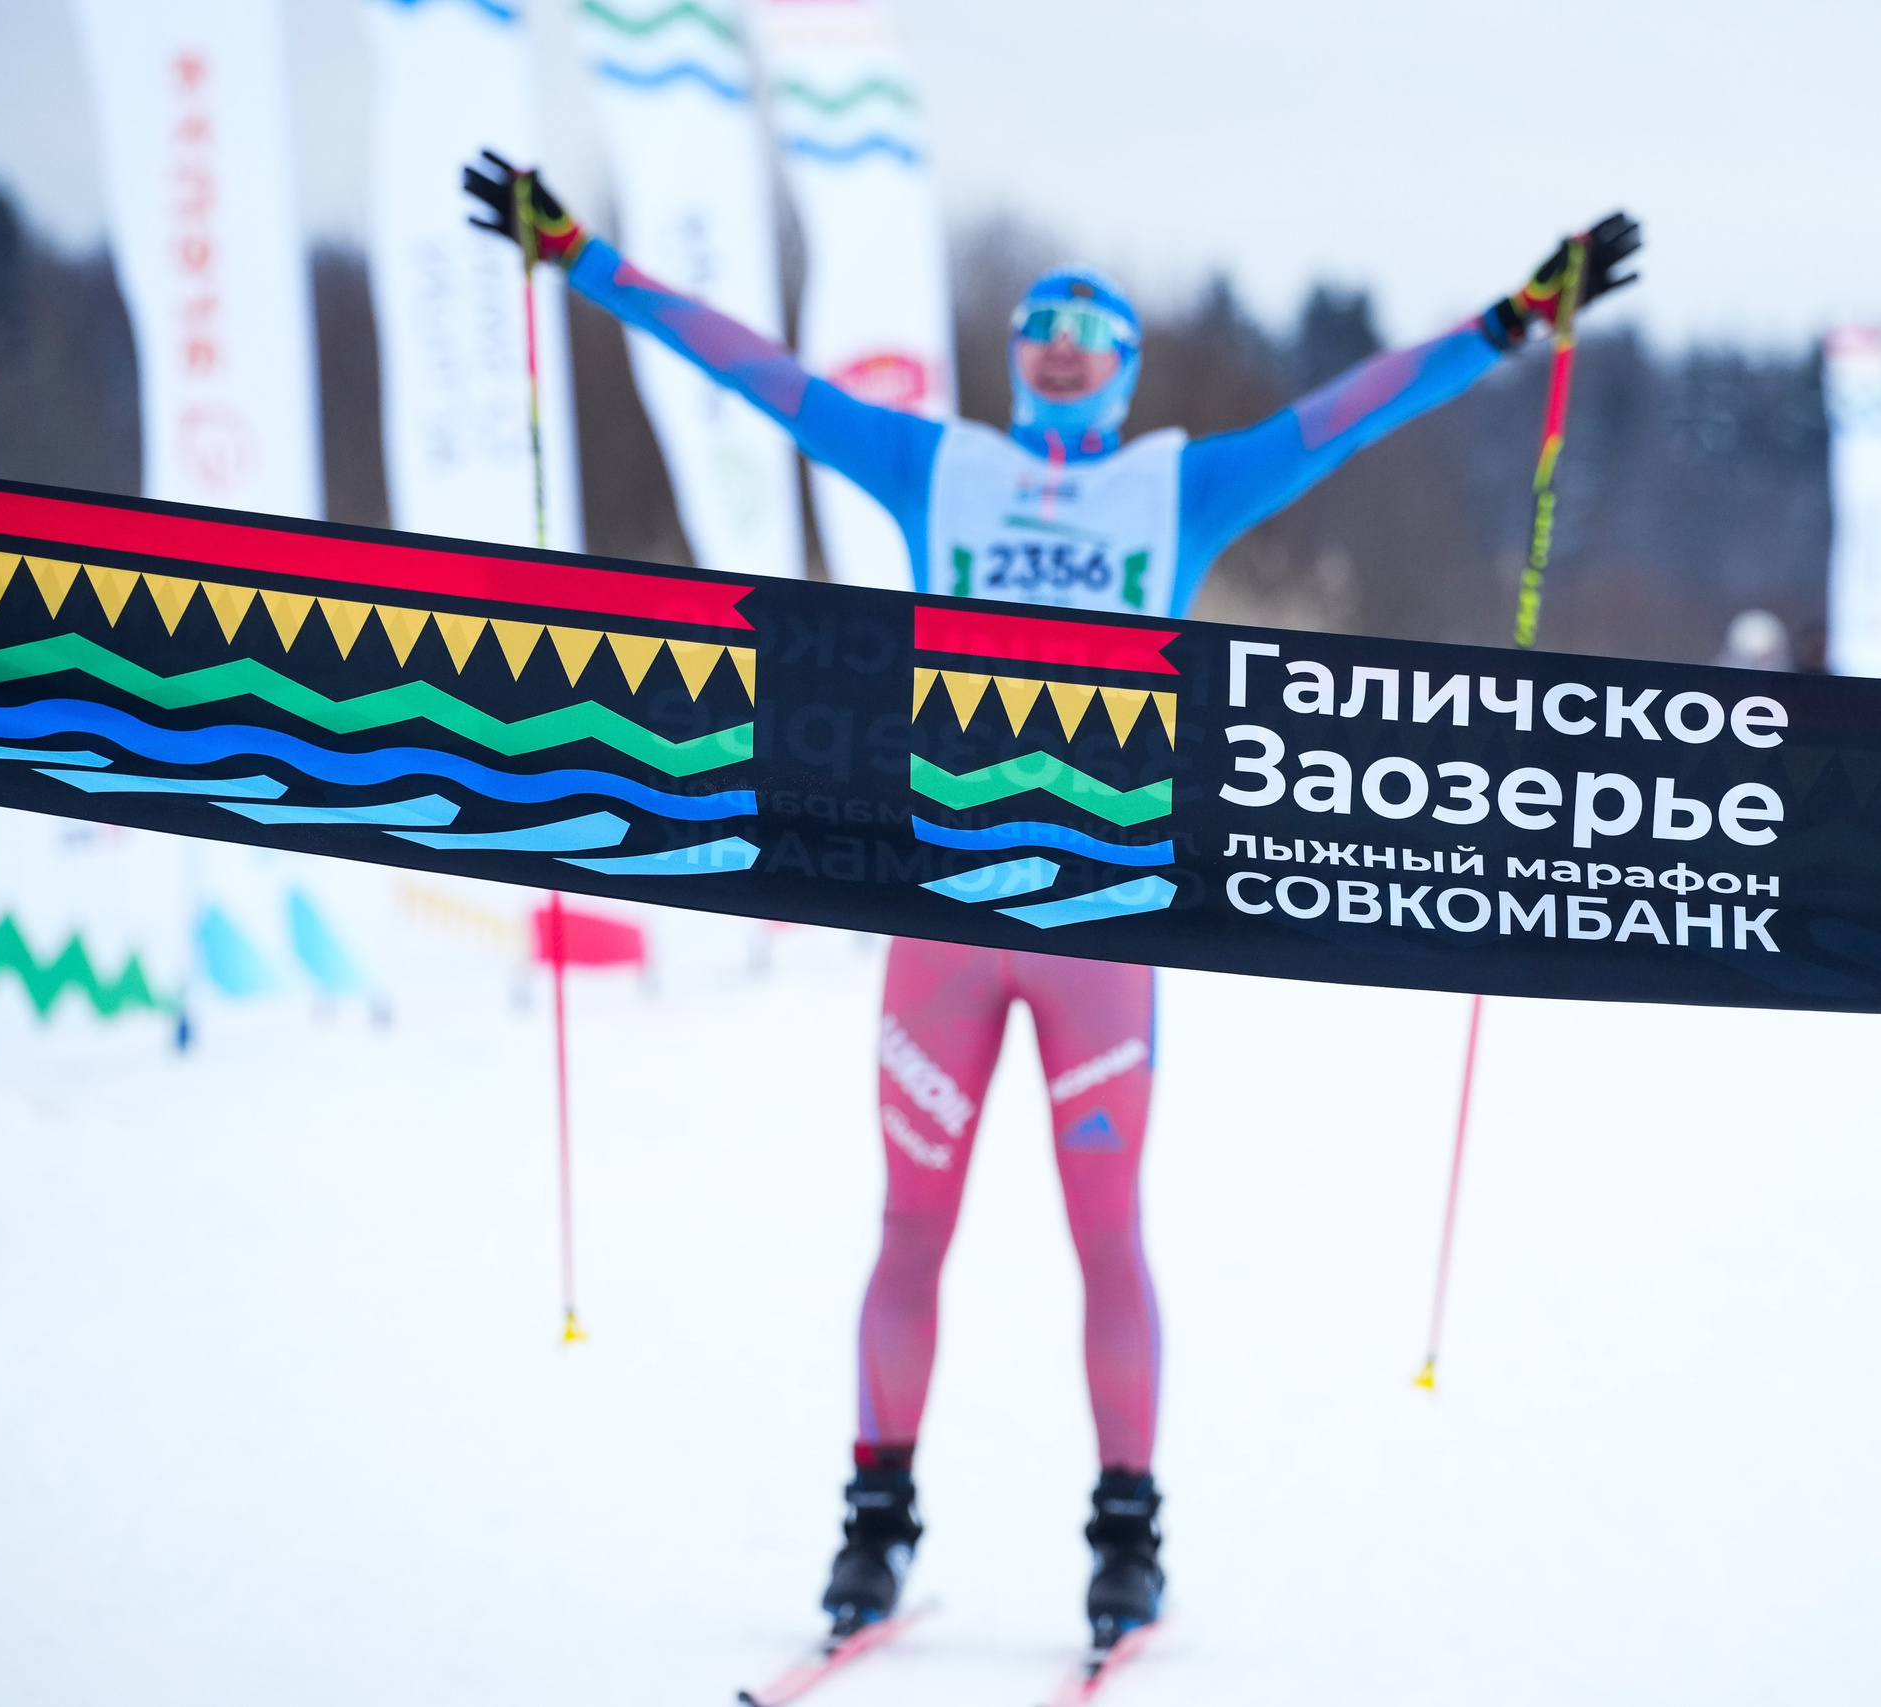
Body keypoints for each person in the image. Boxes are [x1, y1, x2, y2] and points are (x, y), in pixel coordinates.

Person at [466, 153, 1639, 1649]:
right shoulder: (938, 464)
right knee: (911, 1228)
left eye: (1090, 330)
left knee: (1105, 1234)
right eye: (1039, 328)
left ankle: (1125, 1544)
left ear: (1129, 364)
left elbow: (1360, 409)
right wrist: (580, 261)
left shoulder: (1181, 483)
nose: (1062, 347)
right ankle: (872, 1533)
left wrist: (1514, 322)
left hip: (1102, 923)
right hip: (940, 917)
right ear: (1012, 359)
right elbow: (754, 374)